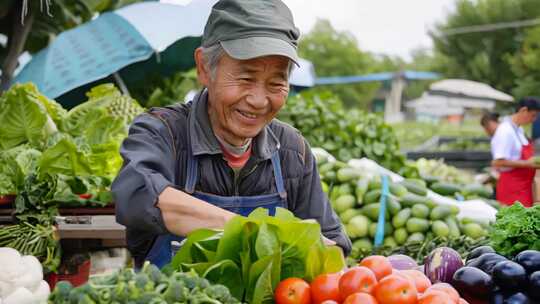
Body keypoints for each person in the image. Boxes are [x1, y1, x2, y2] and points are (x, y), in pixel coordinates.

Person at [112, 0, 351, 269]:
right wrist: (259, 232)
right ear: (204, 68)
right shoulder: (162, 133)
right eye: (246, 79)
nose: (259, 100)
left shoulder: (292, 151)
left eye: (276, 83)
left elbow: (333, 249)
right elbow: (138, 195)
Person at [490, 97, 540, 207]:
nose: (534, 119)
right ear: (523, 110)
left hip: (523, 187)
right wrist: (527, 163)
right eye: (533, 115)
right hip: (511, 188)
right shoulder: (505, 131)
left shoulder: (519, 130)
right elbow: (497, 162)